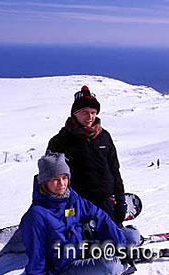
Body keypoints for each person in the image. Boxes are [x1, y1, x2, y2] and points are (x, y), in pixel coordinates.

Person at [7, 151, 140, 275]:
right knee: (110, 268)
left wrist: (119, 244)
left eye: (64, 178)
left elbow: (99, 215)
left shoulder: (72, 198)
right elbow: (37, 252)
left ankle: (121, 252)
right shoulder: (36, 215)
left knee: (131, 236)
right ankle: (122, 263)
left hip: (85, 248)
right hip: (67, 265)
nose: (62, 184)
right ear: (44, 182)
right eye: (55, 179)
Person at [47, 86, 127, 226]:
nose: (90, 117)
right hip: (76, 203)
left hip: (105, 202)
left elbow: (114, 170)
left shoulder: (104, 137)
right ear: (75, 113)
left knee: (114, 241)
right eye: (84, 112)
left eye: (93, 112)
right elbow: (49, 177)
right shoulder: (60, 141)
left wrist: (120, 200)